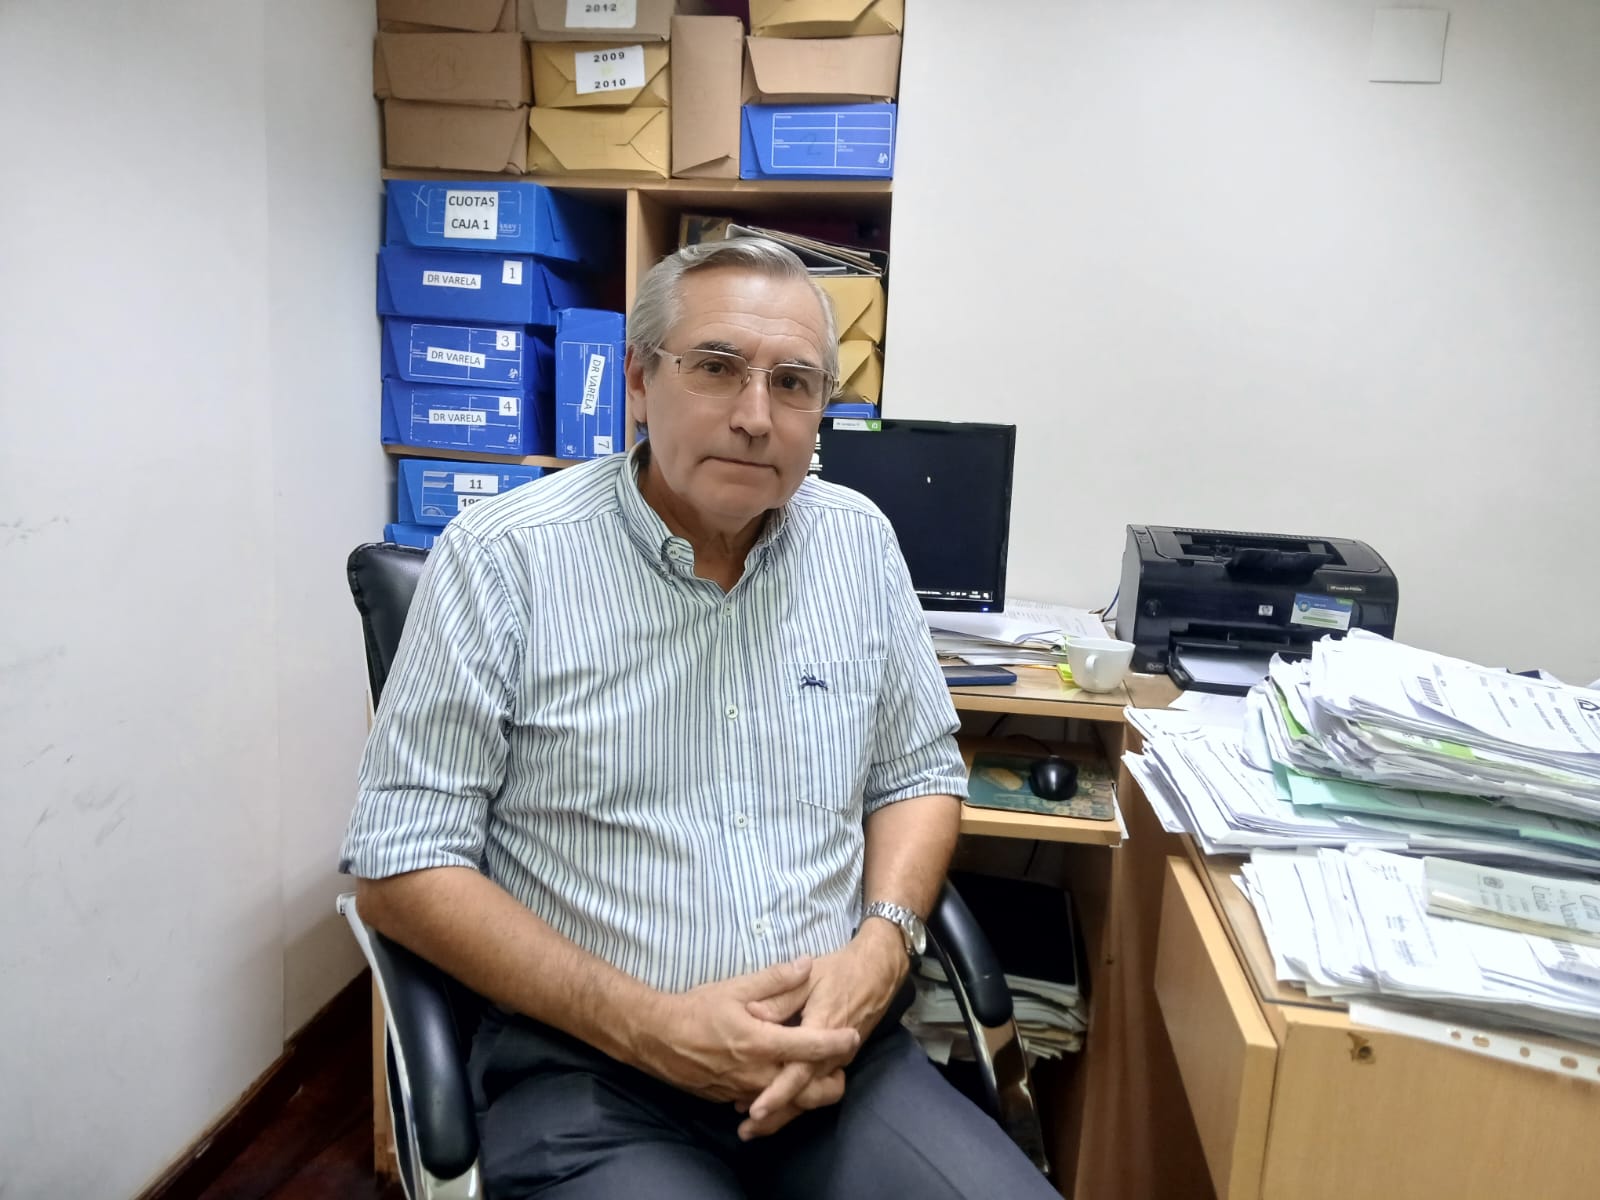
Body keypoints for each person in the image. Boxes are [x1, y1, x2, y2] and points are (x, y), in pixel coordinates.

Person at [340, 237, 1057, 1199]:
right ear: (639, 381)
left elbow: (918, 775)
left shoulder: (859, 545)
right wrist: (652, 1027)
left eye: (793, 383)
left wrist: (882, 947)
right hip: (596, 1072)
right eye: (716, 368)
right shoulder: (502, 560)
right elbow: (401, 867)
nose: (755, 416)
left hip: (838, 1062)